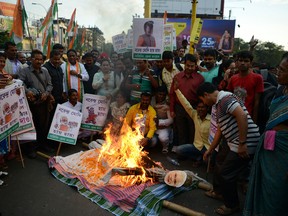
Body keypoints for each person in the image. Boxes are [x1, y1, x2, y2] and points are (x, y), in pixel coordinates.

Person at [197, 82, 260, 215]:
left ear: (206, 95)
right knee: (223, 170)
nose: (203, 102)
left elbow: (241, 115)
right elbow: (220, 131)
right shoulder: (219, 104)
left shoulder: (225, 99)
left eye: (202, 99)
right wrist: (210, 150)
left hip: (245, 142)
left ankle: (232, 205)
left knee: (226, 173)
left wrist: (242, 143)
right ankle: (224, 195)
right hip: (236, 143)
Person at [243, 52, 288, 216]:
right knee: (264, 188)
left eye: (283, 70)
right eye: (279, 68)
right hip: (270, 150)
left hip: (283, 157)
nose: (277, 72)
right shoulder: (281, 90)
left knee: (277, 195)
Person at [17, 49, 54, 158]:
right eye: (36, 59)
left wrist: (46, 93)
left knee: (44, 124)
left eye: (40, 59)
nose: (38, 61)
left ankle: (42, 144)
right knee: (32, 126)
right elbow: (20, 83)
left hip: (44, 102)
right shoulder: (25, 71)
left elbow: (50, 84)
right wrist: (28, 92)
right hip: (31, 104)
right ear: (31, 59)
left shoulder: (45, 71)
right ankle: (31, 149)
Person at [169, 54, 204, 146]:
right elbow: (172, 94)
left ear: (195, 66)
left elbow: (202, 96)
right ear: (184, 64)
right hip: (179, 108)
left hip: (193, 108)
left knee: (193, 130)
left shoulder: (200, 78)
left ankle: (191, 152)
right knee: (181, 130)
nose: (189, 68)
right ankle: (182, 152)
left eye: (192, 66)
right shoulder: (177, 77)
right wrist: (172, 110)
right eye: (188, 65)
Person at [173, 86, 211, 167]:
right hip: (196, 146)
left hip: (208, 148)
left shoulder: (212, 119)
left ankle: (200, 159)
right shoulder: (195, 115)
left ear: (207, 108)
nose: (200, 109)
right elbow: (186, 104)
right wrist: (177, 90)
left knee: (208, 162)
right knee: (179, 150)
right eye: (199, 107)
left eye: (203, 107)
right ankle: (199, 158)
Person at [227, 51, 264, 123]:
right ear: (236, 62)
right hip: (233, 116)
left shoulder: (257, 78)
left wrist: (254, 122)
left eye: (246, 61)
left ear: (251, 63)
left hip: (248, 117)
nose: (243, 63)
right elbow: (229, 99)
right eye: (240, 60)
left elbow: (257, 102)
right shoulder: (233, 78)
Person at [151, 86, 173, 153]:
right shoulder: (151, 102)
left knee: (163, 138)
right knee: (152, 143)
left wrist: (159, 123)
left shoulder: (167, 105)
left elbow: (171, 120)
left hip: (163, 127)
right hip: (151, 127)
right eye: (160, 94)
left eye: (163, 95)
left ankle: (165, 147)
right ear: (156, 94)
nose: (161, 96)